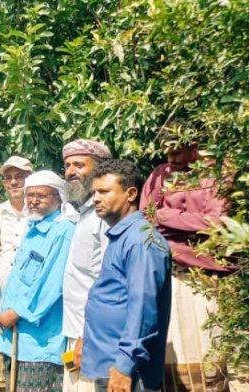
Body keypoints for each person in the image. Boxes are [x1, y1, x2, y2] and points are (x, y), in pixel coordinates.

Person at [139, 130, 229, 391]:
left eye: (177, 149)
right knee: (173, 361)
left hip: (208, 280)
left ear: (194, 146)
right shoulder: (160, 174)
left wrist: (166, 216)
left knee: (210, 357)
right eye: (166, 150)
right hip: (170, 278)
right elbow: (145, 222)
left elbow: (217, 223)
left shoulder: (218, 174)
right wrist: (187, 223)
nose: (171, 155)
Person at [82, 159, 171, 391]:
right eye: (94, 192)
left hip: (128, 373)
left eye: (104, 191)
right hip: (110, 365)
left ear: (130, 194)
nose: (95, 199)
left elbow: (143, 309)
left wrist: (125, 364)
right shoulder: (123, 236)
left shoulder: (141, 241)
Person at [0, 170, 77, 392]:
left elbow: (52, 285)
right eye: (30, 195)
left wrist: (17, 311)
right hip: (16, 335)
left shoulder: (63, 231)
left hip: (40, 339)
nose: (33, 201)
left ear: (59, 197)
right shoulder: (32, 227)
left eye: (41, 195)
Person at [60, 139, 113, 392]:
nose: (71, 171)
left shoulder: (105, 217)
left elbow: (108, 281)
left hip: (94, 336)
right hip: (75, 332)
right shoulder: (80, 213)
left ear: (101, 170)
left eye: (79, 164)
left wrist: (86, 337)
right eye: (68, 165)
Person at [0, 155, 33, 309]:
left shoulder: (41, 214)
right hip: (0, 293)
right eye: (8, 178)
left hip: (32, 296)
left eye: (19, 177)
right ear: (3, 184)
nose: (13, 182)